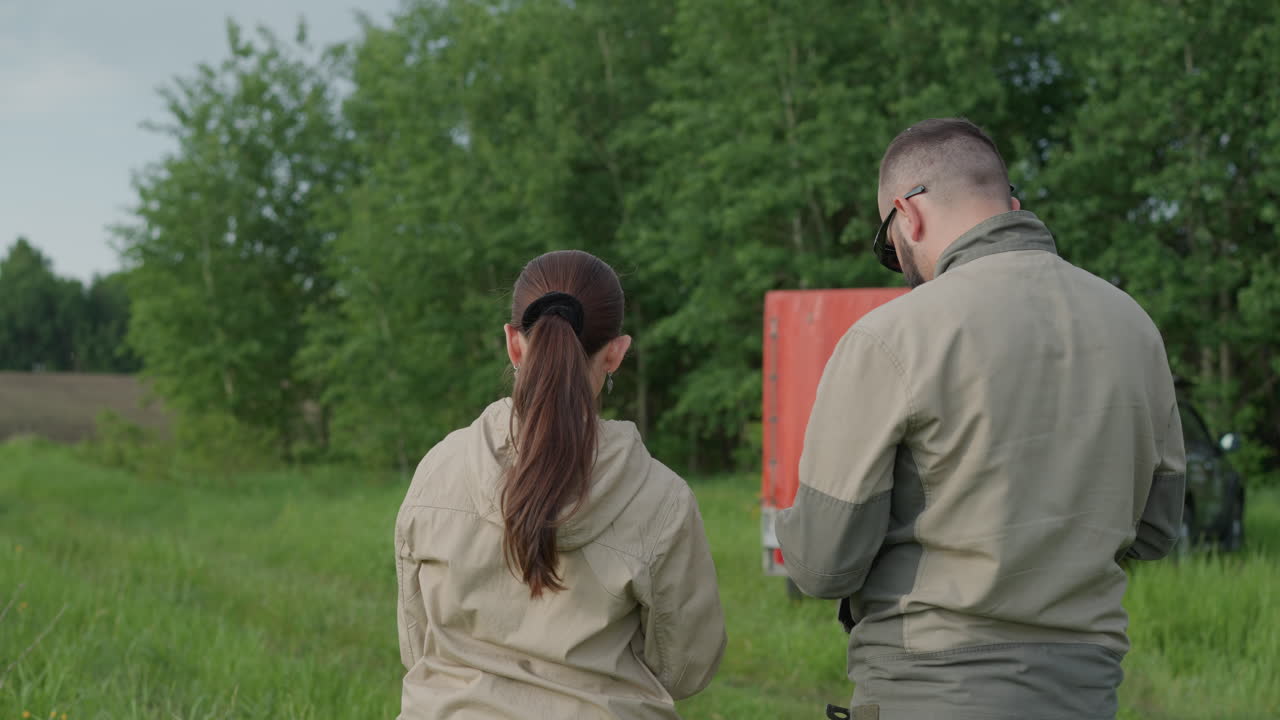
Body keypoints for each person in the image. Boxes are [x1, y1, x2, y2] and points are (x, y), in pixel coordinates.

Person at [776, 118, 1185, 720]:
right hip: (1088, 690)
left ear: (905, 216)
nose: (900, 262)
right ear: (1009, 206)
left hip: (929, 689)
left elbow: (821, 564)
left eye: (890, 248)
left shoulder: (891, 338)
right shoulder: (1133, 325)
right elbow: (1156, 531)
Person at [395, 250, 726, 720]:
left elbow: (416, 643)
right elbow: (686, 668)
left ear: (513, 343)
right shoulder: (661, 498)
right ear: (616, 352)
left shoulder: (438, 469)